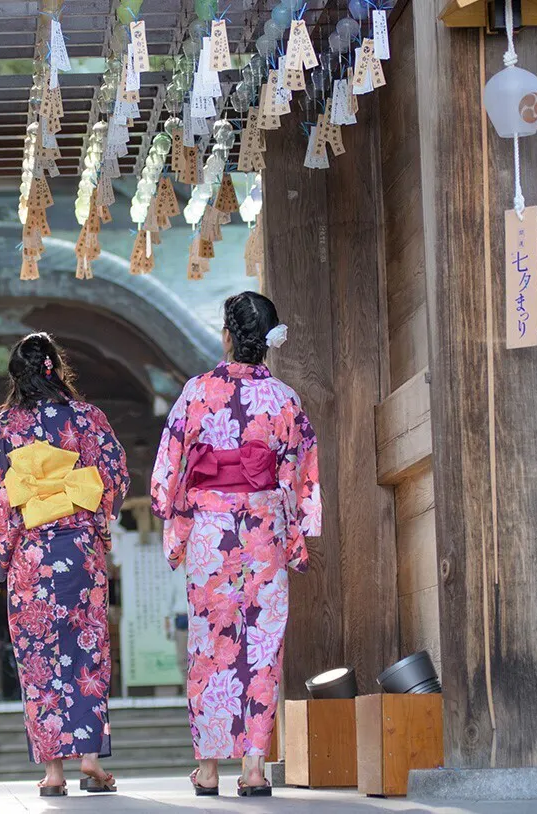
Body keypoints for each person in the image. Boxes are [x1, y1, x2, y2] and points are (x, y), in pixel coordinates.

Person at [151, 292, 321, 798]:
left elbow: (171, 464)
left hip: (211, 532)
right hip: (263, 530)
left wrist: (174, 517)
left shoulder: (197, 391)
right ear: (268, 340)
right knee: (263, 645)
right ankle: (254, 769)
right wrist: (296, 530)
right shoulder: (285, 399)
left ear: (227, 336)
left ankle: (208, 770)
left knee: (210, 642)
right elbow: (298, 472)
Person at [0, 333, 130, 797]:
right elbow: (114, 476)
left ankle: (54, 772)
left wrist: (3, 555)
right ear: (56, 369)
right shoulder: (87, 418)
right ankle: (90, 761)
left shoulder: (6, 426)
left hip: (33, 556)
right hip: (80, 551)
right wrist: (98, 524)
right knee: (88, 650)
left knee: (39, 659)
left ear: (16, 377)